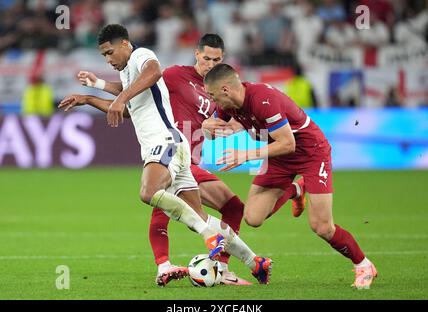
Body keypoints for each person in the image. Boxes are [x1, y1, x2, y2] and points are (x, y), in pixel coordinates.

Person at [58, 24, 272, 285]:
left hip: (165, 142)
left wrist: (120, 97)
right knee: (198, 215)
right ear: (196, 55)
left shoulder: (141, 56)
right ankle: (254, 261)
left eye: (109, 53)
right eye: (104, 55)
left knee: (149, 194)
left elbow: (153, 71)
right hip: (179, 146)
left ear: (125, 44)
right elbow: (128, 110)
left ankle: (183, 253)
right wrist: (90, 97)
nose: (108, 59)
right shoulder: (131, 73)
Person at [202, 63, 378, 290]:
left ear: (226, 89)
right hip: (278, 156)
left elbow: (288, 143)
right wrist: (207, 126)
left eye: (213, 96)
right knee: (253, 218)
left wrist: (246, 155)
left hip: (310, 152)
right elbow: (213, 133)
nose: (213, 102)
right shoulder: (229, 106)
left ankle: (363, 265)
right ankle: (296, 190)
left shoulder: (263, 100)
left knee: (322, 227)